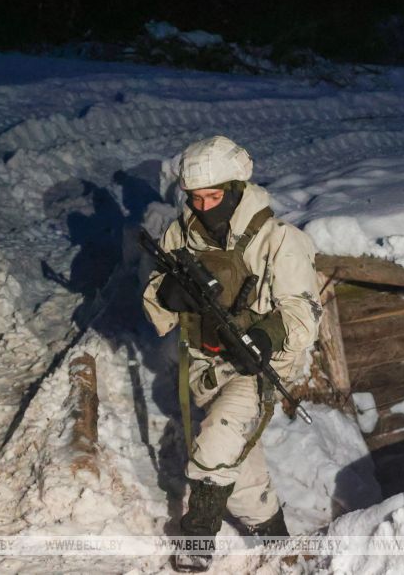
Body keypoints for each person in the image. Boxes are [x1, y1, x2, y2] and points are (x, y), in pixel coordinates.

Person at [142, 135, 322, 571]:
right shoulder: (179, 235)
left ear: (237, 189)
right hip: (203, 365)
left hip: (257, 368)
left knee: (216, 442)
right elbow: (156, 305)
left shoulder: (280, 239)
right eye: (196, 198)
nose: (203, 207)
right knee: (239, 471)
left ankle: (196, 541)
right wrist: (167, 294)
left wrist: (266, 336)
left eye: (214, 197)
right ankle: (275, 537)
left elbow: (303, 313)